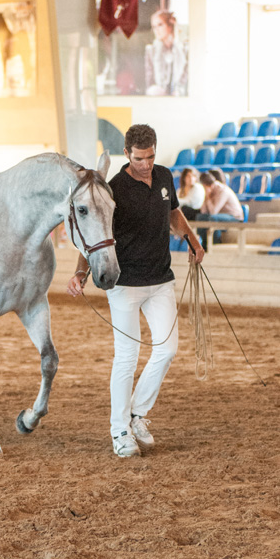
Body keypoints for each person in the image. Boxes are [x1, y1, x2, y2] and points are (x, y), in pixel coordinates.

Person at [67, 124, 204, 458]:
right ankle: (119, 432)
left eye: (151, 157)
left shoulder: (165, 176)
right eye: (139, 158)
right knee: (126, 358)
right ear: (126, 154)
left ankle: (137, 414)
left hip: (160, 280)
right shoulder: (113, 189)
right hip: (125, 284)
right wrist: (80, 272)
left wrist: (191, 238)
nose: (146, 164)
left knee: (167, 349)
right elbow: (94, 231)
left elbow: (173, 213)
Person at [196, 171, 244, 250]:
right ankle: (202, 246)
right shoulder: (208, 191)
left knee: (213, 218)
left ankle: (215, 245)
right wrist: (205, 197)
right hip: (220, 216)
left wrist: (208, 198)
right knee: (200, 217)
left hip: (234, 218)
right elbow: (204, 212)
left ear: (211, 185)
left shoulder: (222, 190)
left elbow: (213, 212)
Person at [145, 10, 188, 97]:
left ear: (170, 26)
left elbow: (186, 76)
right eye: (154, 27)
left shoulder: (184, 50)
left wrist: (179, 90)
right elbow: (149, 79)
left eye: (160, 25)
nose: (156, 30)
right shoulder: (151, 50)